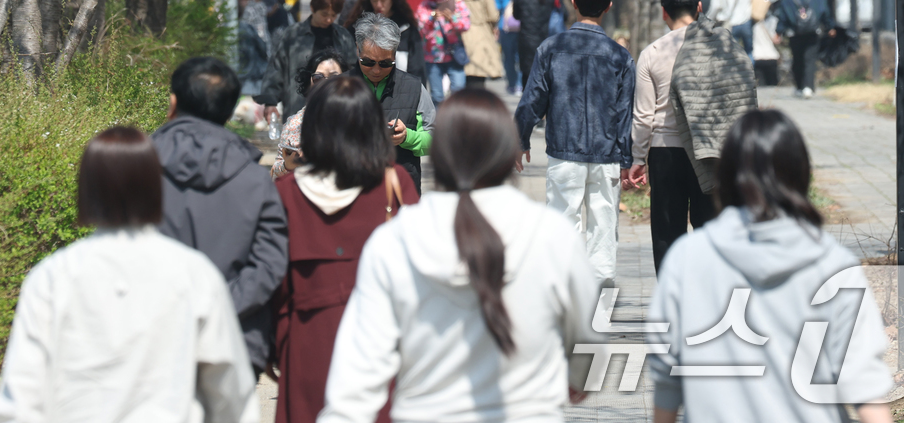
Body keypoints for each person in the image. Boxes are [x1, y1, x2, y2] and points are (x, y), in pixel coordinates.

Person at [318, 90, 604, 423]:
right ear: (508, 154)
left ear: (437, 158)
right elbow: (589, 346)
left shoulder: (394, 241)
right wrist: (575, 380)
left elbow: (354, 382)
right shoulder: (554, 236)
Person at [0, 127, 257, 423]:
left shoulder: (53, 277)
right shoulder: (194, 273)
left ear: (87, 188)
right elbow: (229, 389)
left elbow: (20, 397)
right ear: (155, 188)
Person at [649, 110, 894, 423]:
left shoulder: (687, 258)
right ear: (801, 173)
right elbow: (865, 387)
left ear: (725, 176)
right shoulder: (833, 264)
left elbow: (666, 379)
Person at [271, 76, 420, 423]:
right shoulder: (395, 186)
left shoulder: (287, 194)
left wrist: (277, 344)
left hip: (307, 348)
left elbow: (272, 284)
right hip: (382, 353)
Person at [152, 57, 289, 377]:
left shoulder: (135, 172)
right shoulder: (255, 182)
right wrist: (222, 305)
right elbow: (270, 262)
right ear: (229, 113)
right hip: (233, 340)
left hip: (154, 340)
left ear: (173, 104)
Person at [628, 0, 755, 271]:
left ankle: (673, 301)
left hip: (665, 153)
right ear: (699, 8)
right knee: (710, 228)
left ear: (664, 12)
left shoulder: (652, 53)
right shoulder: (723, 47)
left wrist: (637, 159)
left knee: (667, 232)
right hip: (709, 150)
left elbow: (644, 116)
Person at [515, 0, 635, 285]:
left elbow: (533, 99)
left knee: (561, 219)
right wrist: (627, 159)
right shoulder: (620, 56)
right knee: (603, 223)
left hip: (564, 150)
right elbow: (625, 113)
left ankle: (562, 281)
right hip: (606, 152)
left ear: (573, 4)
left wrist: (520, 138)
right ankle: (599, 286)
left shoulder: (551, 48)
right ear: (608, 7)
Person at [352, 13, 436, 192]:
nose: (376, 70)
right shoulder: (339, 87)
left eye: (385, 63)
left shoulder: (414, 87)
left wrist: (408, 137)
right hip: (351, 188)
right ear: (357, 48)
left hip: (400, 191)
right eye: (367, 62)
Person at [259, 0, 358, 121]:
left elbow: (353, 71)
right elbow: (276, 67)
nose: (329, 19)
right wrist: (270, 101)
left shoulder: (342, 36)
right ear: (312, 8)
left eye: (333, 15)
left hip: (336, 107)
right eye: (324, 14)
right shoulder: (293, 35)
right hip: (298, 107)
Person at [271, 48, 350, 178]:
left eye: (334, 77)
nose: (326, 83)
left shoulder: (357, 116)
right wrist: (288, 165)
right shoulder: (294, 123)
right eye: (318, 77)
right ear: (309, 82)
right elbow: (274, 174)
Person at [343, 0, 427, 83]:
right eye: (374, 0)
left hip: (399, 88)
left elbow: (417, 66)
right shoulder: (356, 27)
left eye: (383, 0)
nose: (379, 5)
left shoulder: (406, 28)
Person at [773, 0, 835, 98]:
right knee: (810, 60)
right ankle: (809, 87)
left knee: (797, 60)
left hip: (795, 34)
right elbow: (824, 11)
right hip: (813, 33)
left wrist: (779, 32)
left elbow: (782, 16)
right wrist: (829, 27)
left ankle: (799, 87)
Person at [416, 0, 471, 104]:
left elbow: (465, 25)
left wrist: (452, 19)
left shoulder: (457, 2)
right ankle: (438, 123)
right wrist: (432, 17)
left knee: (458, 90)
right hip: (433, 55)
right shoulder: (425, 4)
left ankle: (456, 121)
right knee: (437, 95)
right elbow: (420, 27)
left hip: (454, 53)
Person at [455, 0, 505, 88]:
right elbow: (493, 15)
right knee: (478, 73)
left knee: (462, 74)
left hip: (459, 33)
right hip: (480, 33)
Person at [513, 0, 553, 87]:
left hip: (526, 40)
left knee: (527, 75)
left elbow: (516, 15)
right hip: (544, 38)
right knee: (543, 75)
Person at [494, 0, 522, 95]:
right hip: (522, 27)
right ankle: (520, 84)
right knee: (521, 56)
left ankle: (511, 84)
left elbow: (496, 9)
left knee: (508, 57)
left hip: (505, 27)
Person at [238, 0, 269, 97]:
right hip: (251, 79)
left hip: (241, 77)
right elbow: (263, 45)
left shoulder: (250, 13)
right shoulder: (248, 28)